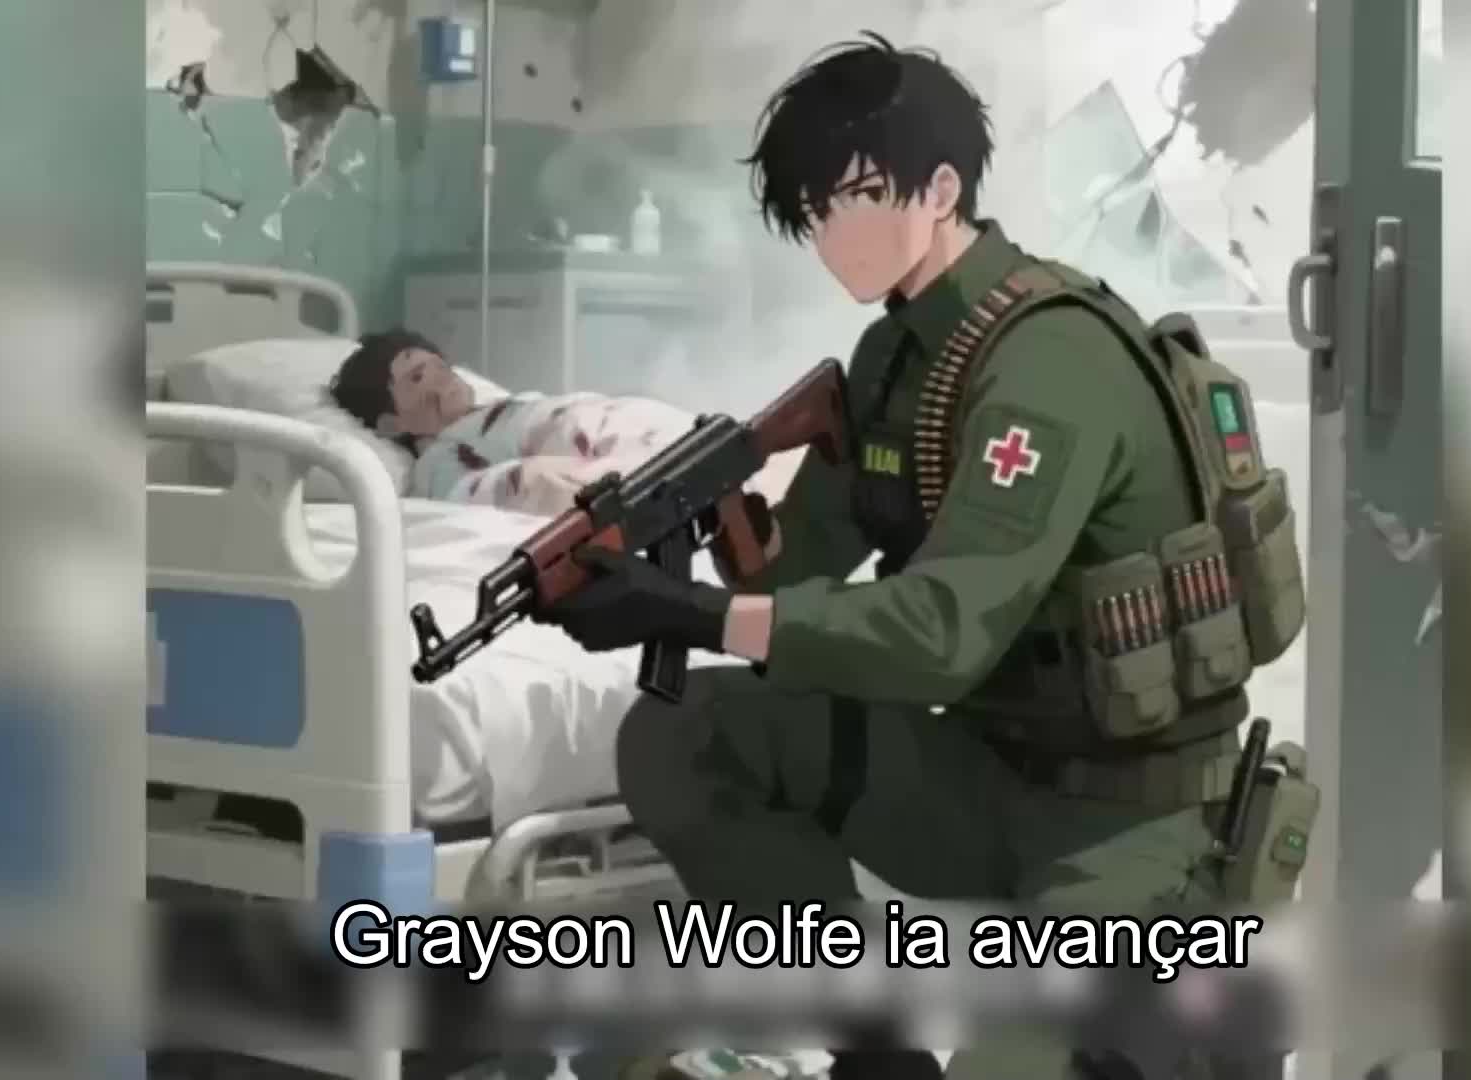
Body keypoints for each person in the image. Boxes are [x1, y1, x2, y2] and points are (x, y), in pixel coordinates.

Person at [534, 33, 1306, 1080]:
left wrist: (691, 616)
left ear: (941, 189)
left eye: (855, 197)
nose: (831, 234)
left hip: (1134, 827)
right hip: (983, 779)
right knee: (686, 733)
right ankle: (872, 1047)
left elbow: (941, 635)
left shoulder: (1051, 360)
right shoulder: (895, 359)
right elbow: (797, 584)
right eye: (814, 211)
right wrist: (701, 542)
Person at [327, 329, 475, 452]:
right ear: (391, 425)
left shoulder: (480, 423)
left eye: (440, 365)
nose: (444, 376)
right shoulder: (446, 462)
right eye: (418, 377)